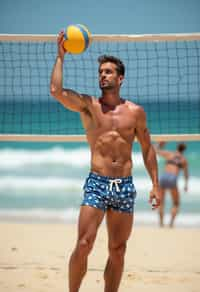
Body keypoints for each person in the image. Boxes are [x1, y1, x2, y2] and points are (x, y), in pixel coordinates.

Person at [50, 31, 160, 292]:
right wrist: (60, 57)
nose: (103, 75)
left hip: (124, 185)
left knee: (118, 250)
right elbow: (56, 91)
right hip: (97, 182)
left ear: (120, 78)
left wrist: (155, 184)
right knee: (84, 243)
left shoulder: (135, 112)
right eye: (101, 71)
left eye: (108, 72)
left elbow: (147, 148)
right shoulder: (89, 105)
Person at [154, 142, 189, 228]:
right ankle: (171, 224)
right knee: (176, 203)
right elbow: (186, 174)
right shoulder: (183, 160)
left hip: (164, 177)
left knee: (161, 202)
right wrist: (186, 184)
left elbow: (155, 150)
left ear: (177, 147)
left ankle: (161, 224)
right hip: (172, 178)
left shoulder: (170, 154)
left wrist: (159, 144)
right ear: (184, 150)